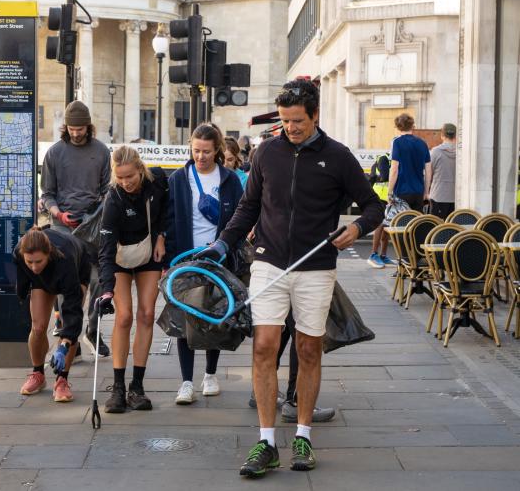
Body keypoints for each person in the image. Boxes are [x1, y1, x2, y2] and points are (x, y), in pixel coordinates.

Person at [199, 79, 383, 476]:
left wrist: (357, 229)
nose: (291, 129)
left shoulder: (338, 156)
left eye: (297, 121)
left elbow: (373, 205)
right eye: (284, 121)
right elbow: (248, 207)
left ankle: (303, 436)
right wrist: (221, 244)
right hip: (268, 261)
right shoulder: (267, 152)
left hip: (316, 265)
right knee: (264, 345)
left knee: (308, 348)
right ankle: (266, 442)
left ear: (315, 115)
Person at [165, 123, 244, 405]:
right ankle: (186, 381)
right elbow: (169, 221)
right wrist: (168, 261)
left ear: (217, 150)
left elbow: (238, 218)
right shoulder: (178, 179)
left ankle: (210, 374)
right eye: (196, 151)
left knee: (215, 316)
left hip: (219, 258)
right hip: (186, 257)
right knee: (185, 319)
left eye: (207, 152)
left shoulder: (230, 180)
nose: (201, 157)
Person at [95, 146, 169, 413]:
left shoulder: (158, 181)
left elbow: (167, 212)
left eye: (130, 176)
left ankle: (137, 386)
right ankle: (118, 387)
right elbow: (104, 250)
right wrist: (106, 290)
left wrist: (162, 235)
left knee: (147, 314)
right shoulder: (113, 200)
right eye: (120, 177)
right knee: (124, 316)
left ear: (140, 169)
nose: (126, 182)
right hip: (119, 257)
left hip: (149, 251)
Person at [41, 100, 111, 357]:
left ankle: (93, 329)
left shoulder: (102, 152)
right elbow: (47, 194)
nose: (76, 133)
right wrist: (58, 212)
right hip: (63, 225)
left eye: (80, 128)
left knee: (98, 279)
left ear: (88, 127)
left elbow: (107, 191)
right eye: (72, 128)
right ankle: (68, 334)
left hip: (92, 225)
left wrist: (96, 213)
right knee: (67, 281)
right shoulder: (54, 153)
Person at [15, 226, 90, 403]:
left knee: (67, 325)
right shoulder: (19, 253)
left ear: (48, 254)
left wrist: (63, 345)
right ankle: (38, 374)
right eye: (29, 262)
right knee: (38, 326)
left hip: (77, 270)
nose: (33, 267)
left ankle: (62, 379)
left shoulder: (65, 260)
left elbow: (73, 313)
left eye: (38, 261)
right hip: (43, 278)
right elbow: (24, 281)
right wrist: (23, 294)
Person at [387, 113, 432, 212]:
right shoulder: (422, 143)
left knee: (401, 224)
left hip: (401, 191)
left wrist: (389, 192)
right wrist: (426, 192)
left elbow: (394, 170)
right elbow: (428, 171)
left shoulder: (397, 142)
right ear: (412, 125)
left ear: (398, 127)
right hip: (418, 191)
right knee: (416, 224)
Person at [367, 152, 394, 269]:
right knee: (380, 225)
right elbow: (385, 176)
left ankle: (383, 255)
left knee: (386, 226)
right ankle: (374, 254)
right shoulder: (384, 158)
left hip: (387, 197)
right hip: (381, 196)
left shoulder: (391, 159)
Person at [429, 123, 457, 220]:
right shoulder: (462, 153)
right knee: (454, 228)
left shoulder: (435, 152)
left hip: (438, 195)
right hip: (456, 197)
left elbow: (429, 174)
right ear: (455, 136)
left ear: (442, 136)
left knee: (437, 229)